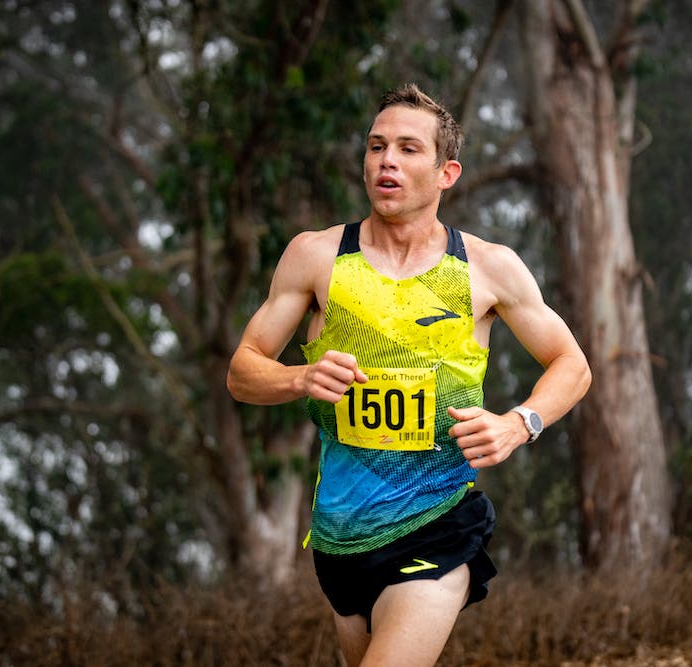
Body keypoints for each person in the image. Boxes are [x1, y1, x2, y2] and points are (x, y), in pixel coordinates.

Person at [226, 83, 591, 667]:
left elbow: (572, 364)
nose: (386, 160)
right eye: (376, 147)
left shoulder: (487, 268)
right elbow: (243, 371)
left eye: (407, 149)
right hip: (339, 537)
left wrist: (520, 423)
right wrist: (299, 378)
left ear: (447, 173)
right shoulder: (316, 257)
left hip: (438, 522)